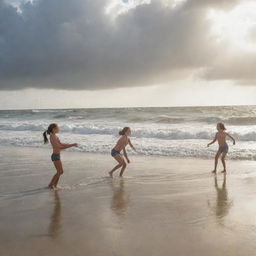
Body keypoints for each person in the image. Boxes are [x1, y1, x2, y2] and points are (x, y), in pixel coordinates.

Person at [43, 123, 77, 189]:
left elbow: (61, 144)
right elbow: (59, 147)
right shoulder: (52, 137)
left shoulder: (55, 136)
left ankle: (54, 185)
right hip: (55, 156)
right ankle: (50, 185)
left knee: (60, 172)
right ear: (54, 129)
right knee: (60, 172)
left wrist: (71, 144)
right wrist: (72, 145)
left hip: (57, 156)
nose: (59, 129)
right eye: (58, 127)